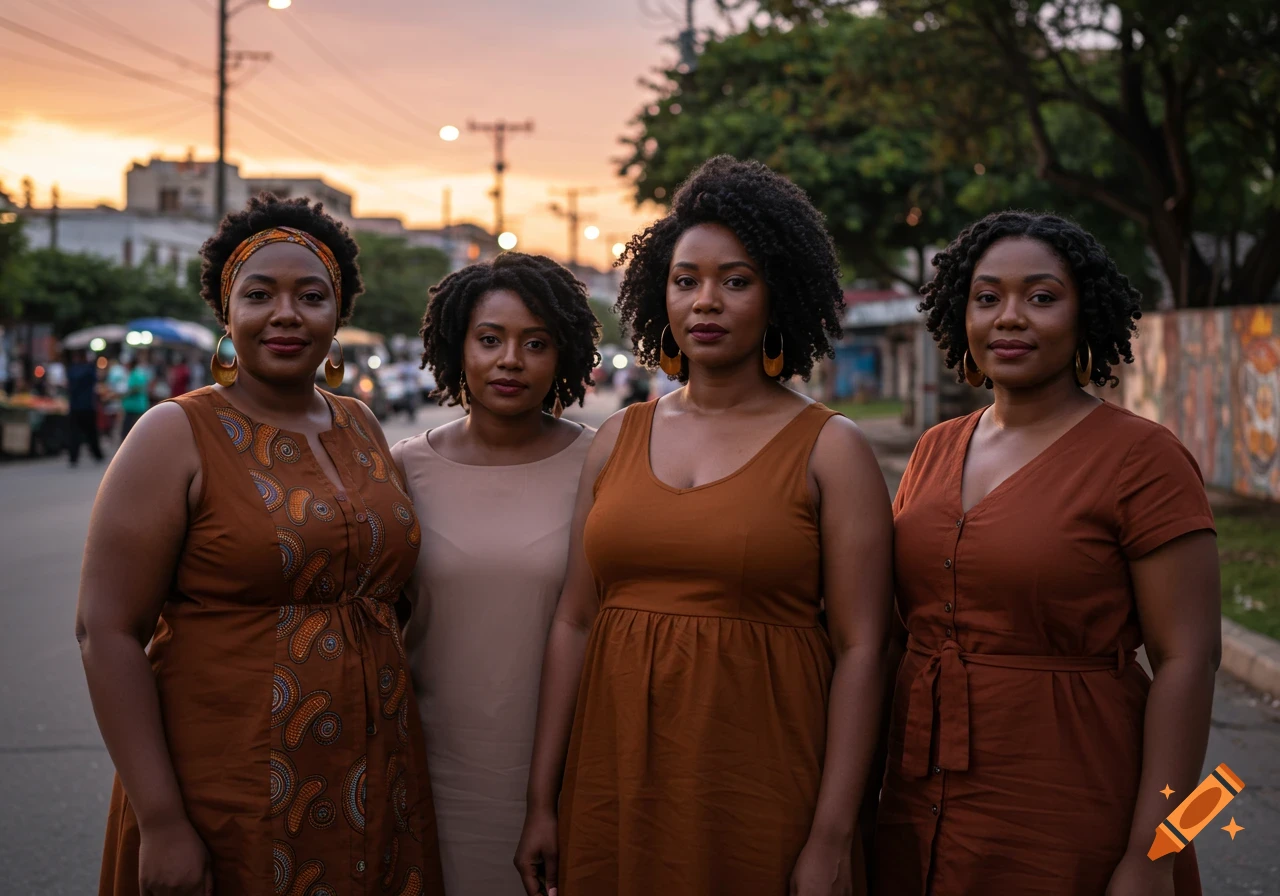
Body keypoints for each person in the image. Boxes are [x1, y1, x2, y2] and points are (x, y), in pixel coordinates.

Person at [515, 156, 894, 896]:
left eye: (736, 280)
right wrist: (541, 801)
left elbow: (864, 650)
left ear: (777, 293)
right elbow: (574, 623)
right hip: (614, 777)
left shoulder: (831, 448)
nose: (706, 302)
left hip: (762, 781)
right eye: (686, 280)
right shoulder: (618, 437)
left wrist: (832, 835)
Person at [76, 194, 445, 896]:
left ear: (338, 315)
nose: (286, 314)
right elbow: (106, 630)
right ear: (226, 312)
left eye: (311, 295)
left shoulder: (361, 425)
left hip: (374, 774)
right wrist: (161, 820)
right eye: (260, 294)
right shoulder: (174, 433)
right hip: (229, 786)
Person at [876, 211, 1220, 896]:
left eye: (1041, 296)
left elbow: (1189, 661)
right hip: (920, 803)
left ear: (1083, 312)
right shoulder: (934, 448)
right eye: (986, 297)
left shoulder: (1142, 459)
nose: (1010, 317)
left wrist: (1154, 853)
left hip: (1075, 802)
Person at [392, 252, 601, 894]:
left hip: (572, 770)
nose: (510, 360)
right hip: (434, 770)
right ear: (458, 350)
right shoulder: (402, 468)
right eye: (490, 339)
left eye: (535, 343)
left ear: (562, 357)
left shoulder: (603, 462)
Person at [65, 349, 104, 466]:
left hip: (75, 406)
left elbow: (69, 385)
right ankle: (97, 454)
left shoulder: (72, 370)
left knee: (74, 433)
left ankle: (73, 457)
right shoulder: (89, 369)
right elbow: (96, 380)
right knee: (91, 432)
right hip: (88, 406)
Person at [120, 355, 152, 440]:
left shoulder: (136, 375)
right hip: (133, 407)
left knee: (130, 431)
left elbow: (136, 388)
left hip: (135, 407)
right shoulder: (134, 374)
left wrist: (123, 394)